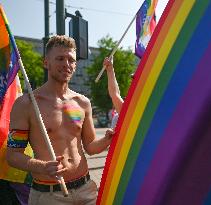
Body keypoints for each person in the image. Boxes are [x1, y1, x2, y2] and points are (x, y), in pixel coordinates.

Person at [6, 35, 114, 205]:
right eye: (60, 58)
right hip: (49, 196)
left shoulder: (82, 103)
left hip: (87, 190)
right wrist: (42, 167)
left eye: (71, 59)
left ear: (75, 65)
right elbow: (13, 156)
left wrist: (108, 139)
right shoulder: (26, 104)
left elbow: (91, 146)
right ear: (46, 62)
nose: (66, 64)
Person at [103, 57, 124, 129]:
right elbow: (116, 94)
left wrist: (110, 70)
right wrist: (110, 70)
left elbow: (115, 94)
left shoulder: (132, 114)